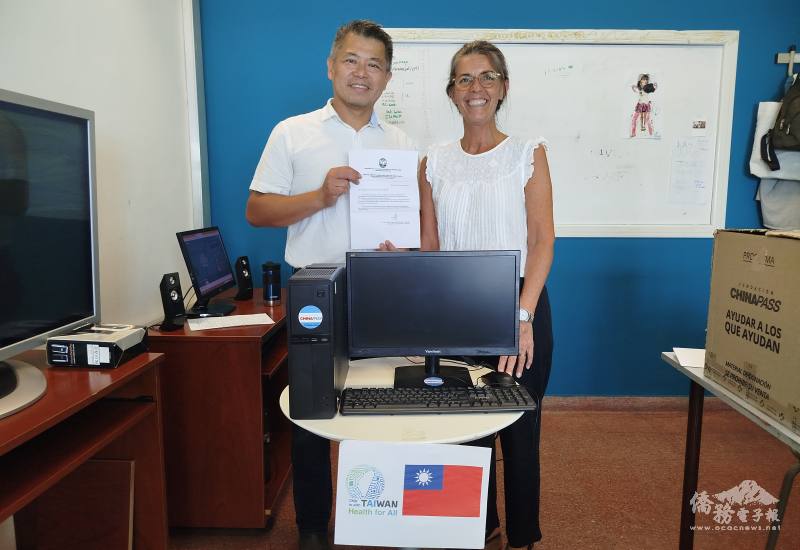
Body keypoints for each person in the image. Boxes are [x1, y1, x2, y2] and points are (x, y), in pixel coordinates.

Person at [245, 20, 415, 550]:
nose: (362, 73)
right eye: (351, 60)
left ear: (387, 78)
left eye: (374, 64)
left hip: (381, 291)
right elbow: (257, 211)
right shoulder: (292, 132)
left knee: (385, 404)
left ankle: (382, 520)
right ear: (331, 66)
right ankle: (314, 527)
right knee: (312, 412)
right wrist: (320, 197)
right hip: (314, 292)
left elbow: (412, 222)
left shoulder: (402, 143)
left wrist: (401, 249)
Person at [418, 41, 555, 550]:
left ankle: (522, 537)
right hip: (454, 307)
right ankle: (478, 528)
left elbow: (542, 240)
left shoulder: (528, 153)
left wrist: (523, 316)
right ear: (452, 92)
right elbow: (430, 246)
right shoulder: (432, 162)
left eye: (487, 77)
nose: (476, 88)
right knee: (464, 427)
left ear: (503, 88)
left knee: (519, 427)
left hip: (519, 302)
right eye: (464, 79)